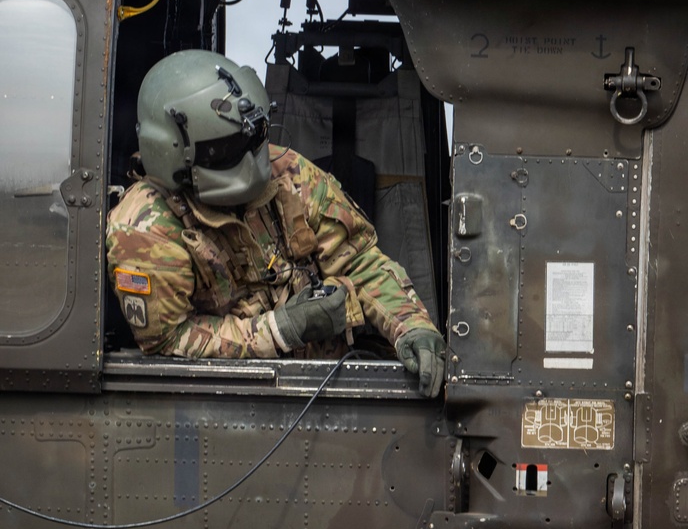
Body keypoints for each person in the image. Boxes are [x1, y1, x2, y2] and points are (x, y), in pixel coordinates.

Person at [106, 50, 446, 396]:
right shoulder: (145, 230)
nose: (254, 164)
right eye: (226, 150)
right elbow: (169, 339)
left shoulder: (287, 172)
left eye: (254, 138)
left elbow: (358, 259)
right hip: (228, 406)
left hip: (323, 389)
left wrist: (412, 325)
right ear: (172, 152)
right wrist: (280, 329)